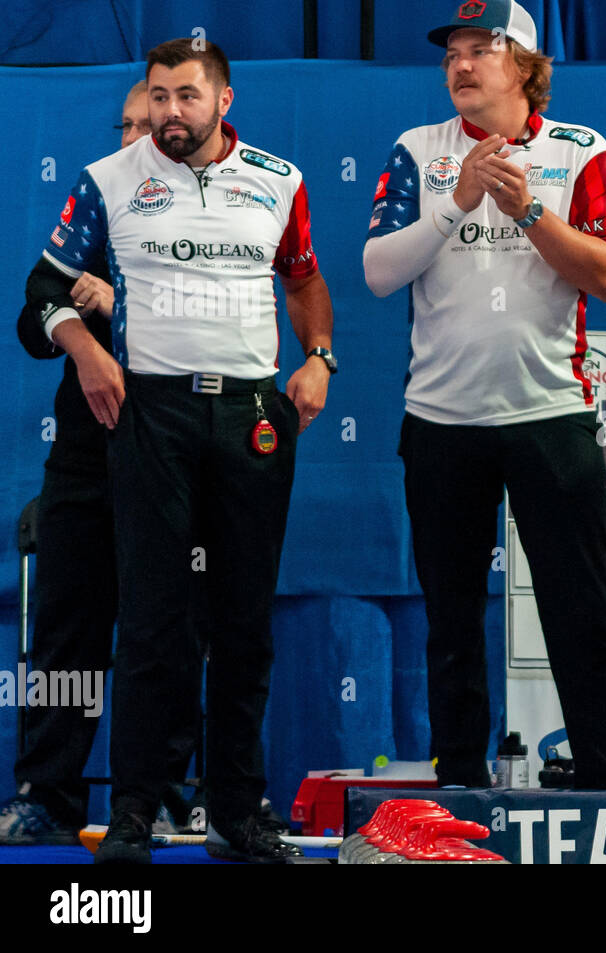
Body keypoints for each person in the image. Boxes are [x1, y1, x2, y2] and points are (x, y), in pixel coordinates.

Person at [23, 38, 335, 862]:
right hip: (150, 413)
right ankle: (132, 813)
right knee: (156, 619)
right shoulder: (109, 177)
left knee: (242, 620)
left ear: (222, 101)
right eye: (158, 96)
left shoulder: (280, 179)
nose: (169, 112)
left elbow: (303, 279)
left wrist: (321, 358)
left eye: (186, 96)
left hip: (253, 413)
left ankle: (237, 807)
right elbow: (43, 289)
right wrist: (91, 353)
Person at [363, 0, 606, 790]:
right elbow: (379, 271)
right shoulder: (418, 150)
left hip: (550, 415)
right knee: (451, 619)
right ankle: (460, 782)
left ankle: (605, 778)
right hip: (443, 421)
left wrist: (528, 209)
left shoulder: (584, 153)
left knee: (580, 610)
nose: (460, 63)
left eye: (482, 49)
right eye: (452, 51)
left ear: (525, 64)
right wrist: (457, 203)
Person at [1, 82, 201, 846]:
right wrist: (71, 311)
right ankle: (48, 791)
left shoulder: (205, 217)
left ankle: (164, 791)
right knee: (65, 635)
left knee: (169, 631)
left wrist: (120, 303)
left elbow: (226, 325)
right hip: (87, 460)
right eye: (126, 122)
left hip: (179, 453)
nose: (135, 134)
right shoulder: (88, 213)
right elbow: (29, 321)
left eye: (148, 122)